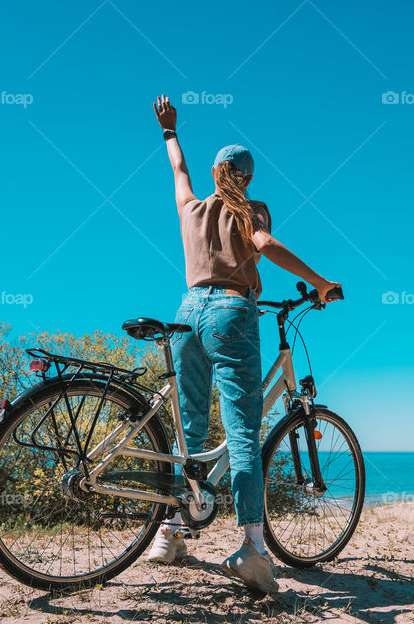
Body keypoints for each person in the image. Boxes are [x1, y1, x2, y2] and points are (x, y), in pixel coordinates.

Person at [146, 95, 342, 593]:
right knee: (243, 430)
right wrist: (319, 282)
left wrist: (170, 130)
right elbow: (267, 246)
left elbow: (178, 169)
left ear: (216, 173)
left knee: (189, 432)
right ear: (247, 178)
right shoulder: (250, 209)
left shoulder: (190, 208)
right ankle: (253, 548)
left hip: (186, 313)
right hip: (232, 312)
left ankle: (169, 534)